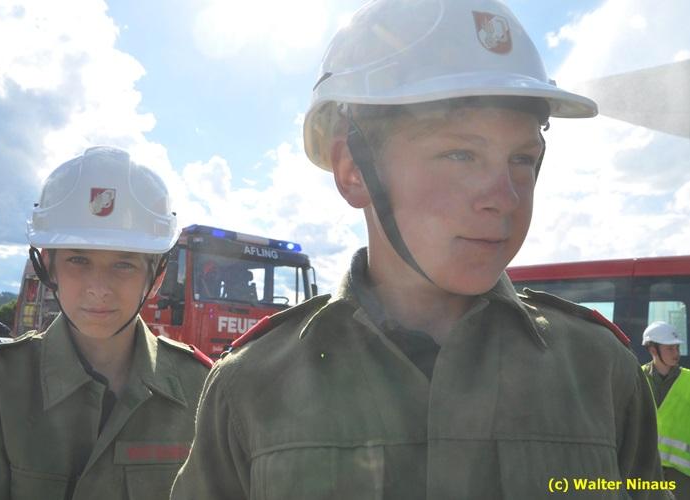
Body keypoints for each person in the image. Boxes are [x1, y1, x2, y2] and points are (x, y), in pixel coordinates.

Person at [171, 1, 669, 498]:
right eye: (461, 154)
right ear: (353, 169)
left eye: (522, 158)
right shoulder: (250, 388)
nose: (505, 198)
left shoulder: (600, 371)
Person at [0, 146, 212, 500]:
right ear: (47, 266)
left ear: (156, 276)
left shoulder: (202, 389)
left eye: (124, 264)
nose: (99, 289)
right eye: (78, 260)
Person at [642, 321, 690, 497]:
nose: (676, 353)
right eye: (670, 348)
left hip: (682, 476)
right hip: (644, 470)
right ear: (653, 350)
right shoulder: (637, 378)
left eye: (677, 348)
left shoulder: (688, 380)